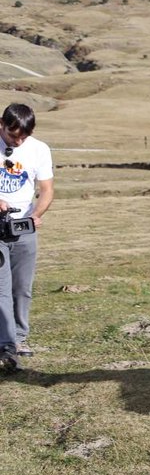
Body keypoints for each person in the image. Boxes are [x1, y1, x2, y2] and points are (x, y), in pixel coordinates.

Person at [0, 103, 54, 373]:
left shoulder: (39, 149)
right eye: (13, 136)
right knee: (1, 289)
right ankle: (6, 345)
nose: (18, 141)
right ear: (2, 124)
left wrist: (36, 214)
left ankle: (20, 338)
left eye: (23, 136)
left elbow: (46, 190)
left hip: (24, 226)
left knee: (22, 287)